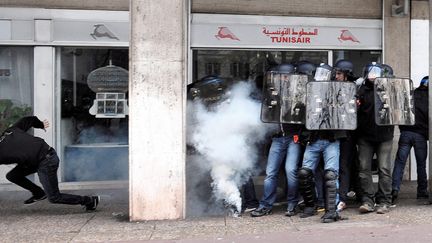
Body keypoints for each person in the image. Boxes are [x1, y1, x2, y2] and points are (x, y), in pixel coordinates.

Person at [0, 116, 100, 211]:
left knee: (54, 197)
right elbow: (28, 120)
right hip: (39, 157)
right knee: (12, 175)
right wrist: (41, 124)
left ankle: (90, 201)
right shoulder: (9, 132)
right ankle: (38, 193)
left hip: (47, 161)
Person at [251, 63, 303, 217]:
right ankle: (266, 205)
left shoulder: (297, 92)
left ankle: (292, 204)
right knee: (270, 173)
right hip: (277, 138)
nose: (281, 78)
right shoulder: (272, 92)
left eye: (283, 75)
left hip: (293, 137)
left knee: (290, 171)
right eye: (280, 75)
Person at [298, 63, 347, 223]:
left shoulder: (338, 92)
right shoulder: (310, 91)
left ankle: (332, 211)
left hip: (331, 139)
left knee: (331, 174)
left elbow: (345, 112)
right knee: (305, 173)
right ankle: (310, 206)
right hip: (314, 139)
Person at [356, 62, 394, 214]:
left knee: (384, 169)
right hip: (365, 135)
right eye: (370, 73)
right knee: (364, 168)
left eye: (376, 72)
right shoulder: (360, 90)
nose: (373, 75)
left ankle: (385, 201)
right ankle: (368, 200)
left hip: (385, 135)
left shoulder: (389, 90)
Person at [391, 76, 429, 203]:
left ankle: (394, 189)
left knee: (400, 163)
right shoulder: (429, 99)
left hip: (406, 133)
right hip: (420, 136)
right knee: (421, 165)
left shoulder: (410, 95)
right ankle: (422, 192)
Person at [333, 59, 359, 211]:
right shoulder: (332, 87)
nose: (336, 76)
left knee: (344, 166)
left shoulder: (353, 88)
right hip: (335, 132)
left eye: (339, 74)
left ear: (346, 75)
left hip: (348, 133)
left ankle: (342, 198)